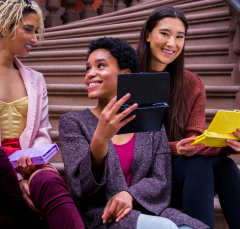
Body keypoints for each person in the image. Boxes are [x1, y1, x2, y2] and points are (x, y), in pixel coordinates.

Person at [59, 37, 209, 229]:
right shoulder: (73, 123)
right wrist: (100, 139)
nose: (90, 74)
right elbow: (81, 188)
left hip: (148, 210)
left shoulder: (152, 123)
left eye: (101, 66)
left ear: (126, 74)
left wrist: (130, 195)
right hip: (103, 215)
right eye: (88, 68)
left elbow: (161, 181)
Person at [0, 0, 85, 229]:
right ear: (2, 26)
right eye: (29, 29)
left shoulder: (36, 80)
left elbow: (42, 131)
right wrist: (17, 178)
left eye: (36, 31)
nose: (35, 39)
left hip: (27, 161)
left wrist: (31, 161)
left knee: (50, 181)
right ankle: (32, 222)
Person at [137, 5, 240, 229]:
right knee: (198, 165)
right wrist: (176, 148)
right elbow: (133, 144)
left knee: (225, 166)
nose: (171, 43)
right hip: (140, 177)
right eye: (164, 33)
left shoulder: (191, 83)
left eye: (179, 37)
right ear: (148, 34)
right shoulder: (129, 77)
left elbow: (193, 140)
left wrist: (226, 143)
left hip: (180, 176)